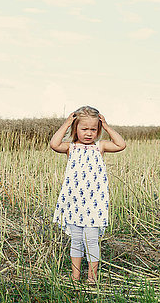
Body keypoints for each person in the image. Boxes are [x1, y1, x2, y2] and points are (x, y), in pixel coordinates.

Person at [50, 106, 126, 285]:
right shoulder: (70, 148)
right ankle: (75, 277)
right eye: (84, 129)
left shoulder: (100, 147)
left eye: (93, 129)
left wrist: (106, 126)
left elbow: (121, 144)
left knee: (91, 241)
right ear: (75, 128)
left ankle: (92, 277)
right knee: (76, 241)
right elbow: (54, 144)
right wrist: (67, 124)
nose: (89, 133)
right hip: (74, 203)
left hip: (94, 205)